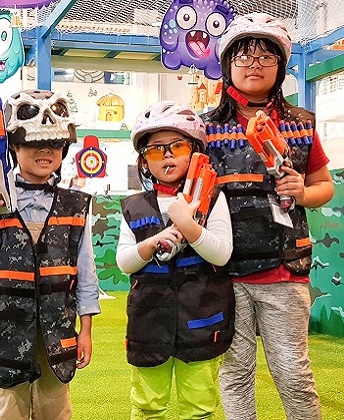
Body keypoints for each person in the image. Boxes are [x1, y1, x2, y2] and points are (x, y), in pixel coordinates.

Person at [203, 13, 334, 420]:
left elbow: (324, 185)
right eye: (243, 56)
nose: (254, 64)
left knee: (293, 373)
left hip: (285, 270)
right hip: (224, 271)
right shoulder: (204, 128)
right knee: (235, 373)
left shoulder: (301, 125)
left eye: (265, 56)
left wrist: (303, 191)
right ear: (228, 65)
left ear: (280, 65)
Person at [0, 89, 101, 420]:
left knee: (55, 409)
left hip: (57, 332)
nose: (45, 151)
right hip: (5, 334)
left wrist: (86, 331)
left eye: (54, 144)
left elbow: (86, 274)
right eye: (34, 143)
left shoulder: (76, 205)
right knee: (8, 410)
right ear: (13, 146)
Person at [116, 101, 235, 419]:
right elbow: (125, 262)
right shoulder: (133, 206)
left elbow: (222, 253)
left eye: (177, 146)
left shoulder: (213, 199)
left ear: (195, 151)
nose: (167, 155)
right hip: (149, 324)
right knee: (148, 406)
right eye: (156, 149)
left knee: (198, 407)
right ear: (144, 160)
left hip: (200, 323)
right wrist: (151, 243)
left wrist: (188, 225)